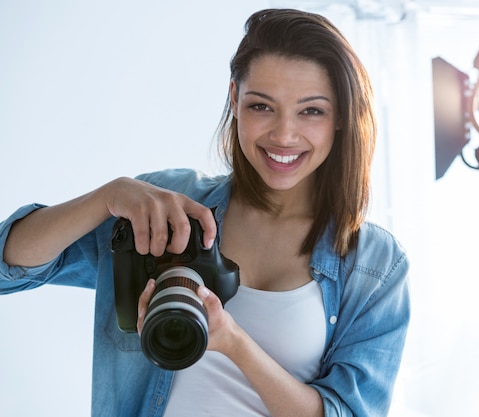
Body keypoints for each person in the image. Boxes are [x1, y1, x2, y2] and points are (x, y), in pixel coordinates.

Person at [0, 8, 410, 417]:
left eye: (311, 111)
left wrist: (232, 341)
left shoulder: (375, 265)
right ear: (234, 99)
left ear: (340, 115)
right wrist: (107, 196)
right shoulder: (169, 205)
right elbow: (9, 267)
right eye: (261, 107)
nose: (284, 134)